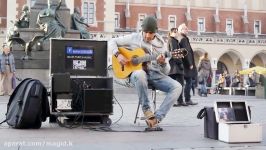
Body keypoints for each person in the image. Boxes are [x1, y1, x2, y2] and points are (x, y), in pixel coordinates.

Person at [109, 16, 182, 128]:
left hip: (155, 75)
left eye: (151, 33)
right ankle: (147, 109)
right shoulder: (134, 38)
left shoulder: (161, 46)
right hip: (137, 76)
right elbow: (111, 41)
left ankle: (156, 118)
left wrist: (162, 63)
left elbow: (166, 71)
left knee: (177, 87)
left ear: (155, 32)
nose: (147, 35)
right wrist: (118, 55)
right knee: (139, 73)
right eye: (145, 32)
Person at [177, 23, 197, 105]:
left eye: (187, 28)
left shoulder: (181, 38)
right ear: (181, 30)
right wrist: (190, 63)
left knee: (183, 83)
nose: (187, 30)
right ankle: (187, 99)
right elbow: (186, 52)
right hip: (186, 65)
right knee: (188, 82)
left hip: (183, 64)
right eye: (185, 29)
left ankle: (183, 99)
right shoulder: (183, 39)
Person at [167, 28, 187, 107]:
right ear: (171, 32)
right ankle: (179, 101)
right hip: (176, 67)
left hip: (173, 66)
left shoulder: (172, 40)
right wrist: (180, 64)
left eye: (177, 32)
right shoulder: (172, 40)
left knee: (176, 85)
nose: (176, 33)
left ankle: (178, 101)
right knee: (180, 84)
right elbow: (175, 53)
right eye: (175, 32)